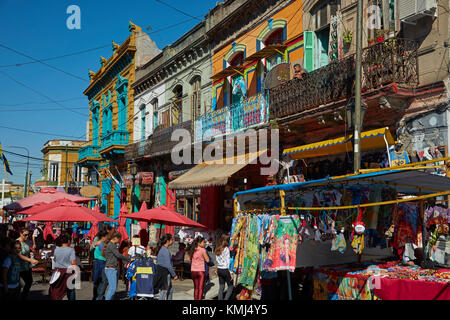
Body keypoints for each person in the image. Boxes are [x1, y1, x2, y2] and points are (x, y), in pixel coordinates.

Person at [102, 231, 130, 300]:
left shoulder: (112, 245)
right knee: (112, 288)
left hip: (112, 268)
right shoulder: (112, 245)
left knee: (113, 288)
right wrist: (128, 259)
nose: (119, 241)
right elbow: (118, 255)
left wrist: (124, 262)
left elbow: (117, 256)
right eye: (119, 239)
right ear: (115, 238)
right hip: (111, 268)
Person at [49, 234, 78, 300]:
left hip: (58, 271)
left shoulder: (56, 250)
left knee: (58, 289)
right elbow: (73, 262)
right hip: (68, 271)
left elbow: (55, 260)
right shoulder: (71, 250)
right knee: (70, 289)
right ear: (68, 241)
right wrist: (76, 272)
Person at [17, 228, 38, 301]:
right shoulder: (17, 242)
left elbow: (26, 252)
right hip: (19, 267)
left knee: (29, 282)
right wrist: (30, 259)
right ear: (20, 233)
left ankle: (23, 297)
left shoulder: (26, 242)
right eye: (25, 235)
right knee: (18, 285)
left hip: (26, 266)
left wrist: (30, 253)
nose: (27, 236)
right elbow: (18, 255)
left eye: (28, 235)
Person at [154, 234, 178, 300]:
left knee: (170, 290)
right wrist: (174, 274)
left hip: (162, 271)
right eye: (172, 240)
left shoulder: (162, 249)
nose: (172, 241)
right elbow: (168, 265)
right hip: (165, 273)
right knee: (164, 291)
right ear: (168, 241)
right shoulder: (165, 251)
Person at [187, 236, 210, 300]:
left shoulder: (192, 249)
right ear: (199, 243)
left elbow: (188, 259)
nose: (204, 244)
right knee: (200, 288)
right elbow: (207, 260)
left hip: (193, 270)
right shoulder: (203, 250)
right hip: (201, 271)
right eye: (203, 242)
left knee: (196, 287)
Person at [215, 234, 234, 300]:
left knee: (221, 287)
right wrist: (231, 273)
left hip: (219, 269)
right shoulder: (226, 249)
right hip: (225, 269)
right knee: (231, 286)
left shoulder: (217, 248)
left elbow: (217, 259)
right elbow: (228, 261)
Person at [92, 230, 108, 300]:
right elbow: (105, 254)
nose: (108, 238)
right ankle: (99, 296)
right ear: (103, 237)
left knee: (97, 280)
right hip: (101, 262)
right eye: (107, 236)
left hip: (98, 262)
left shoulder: (100, 243)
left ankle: (96, 296)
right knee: (103, 280)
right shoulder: (101, 244)